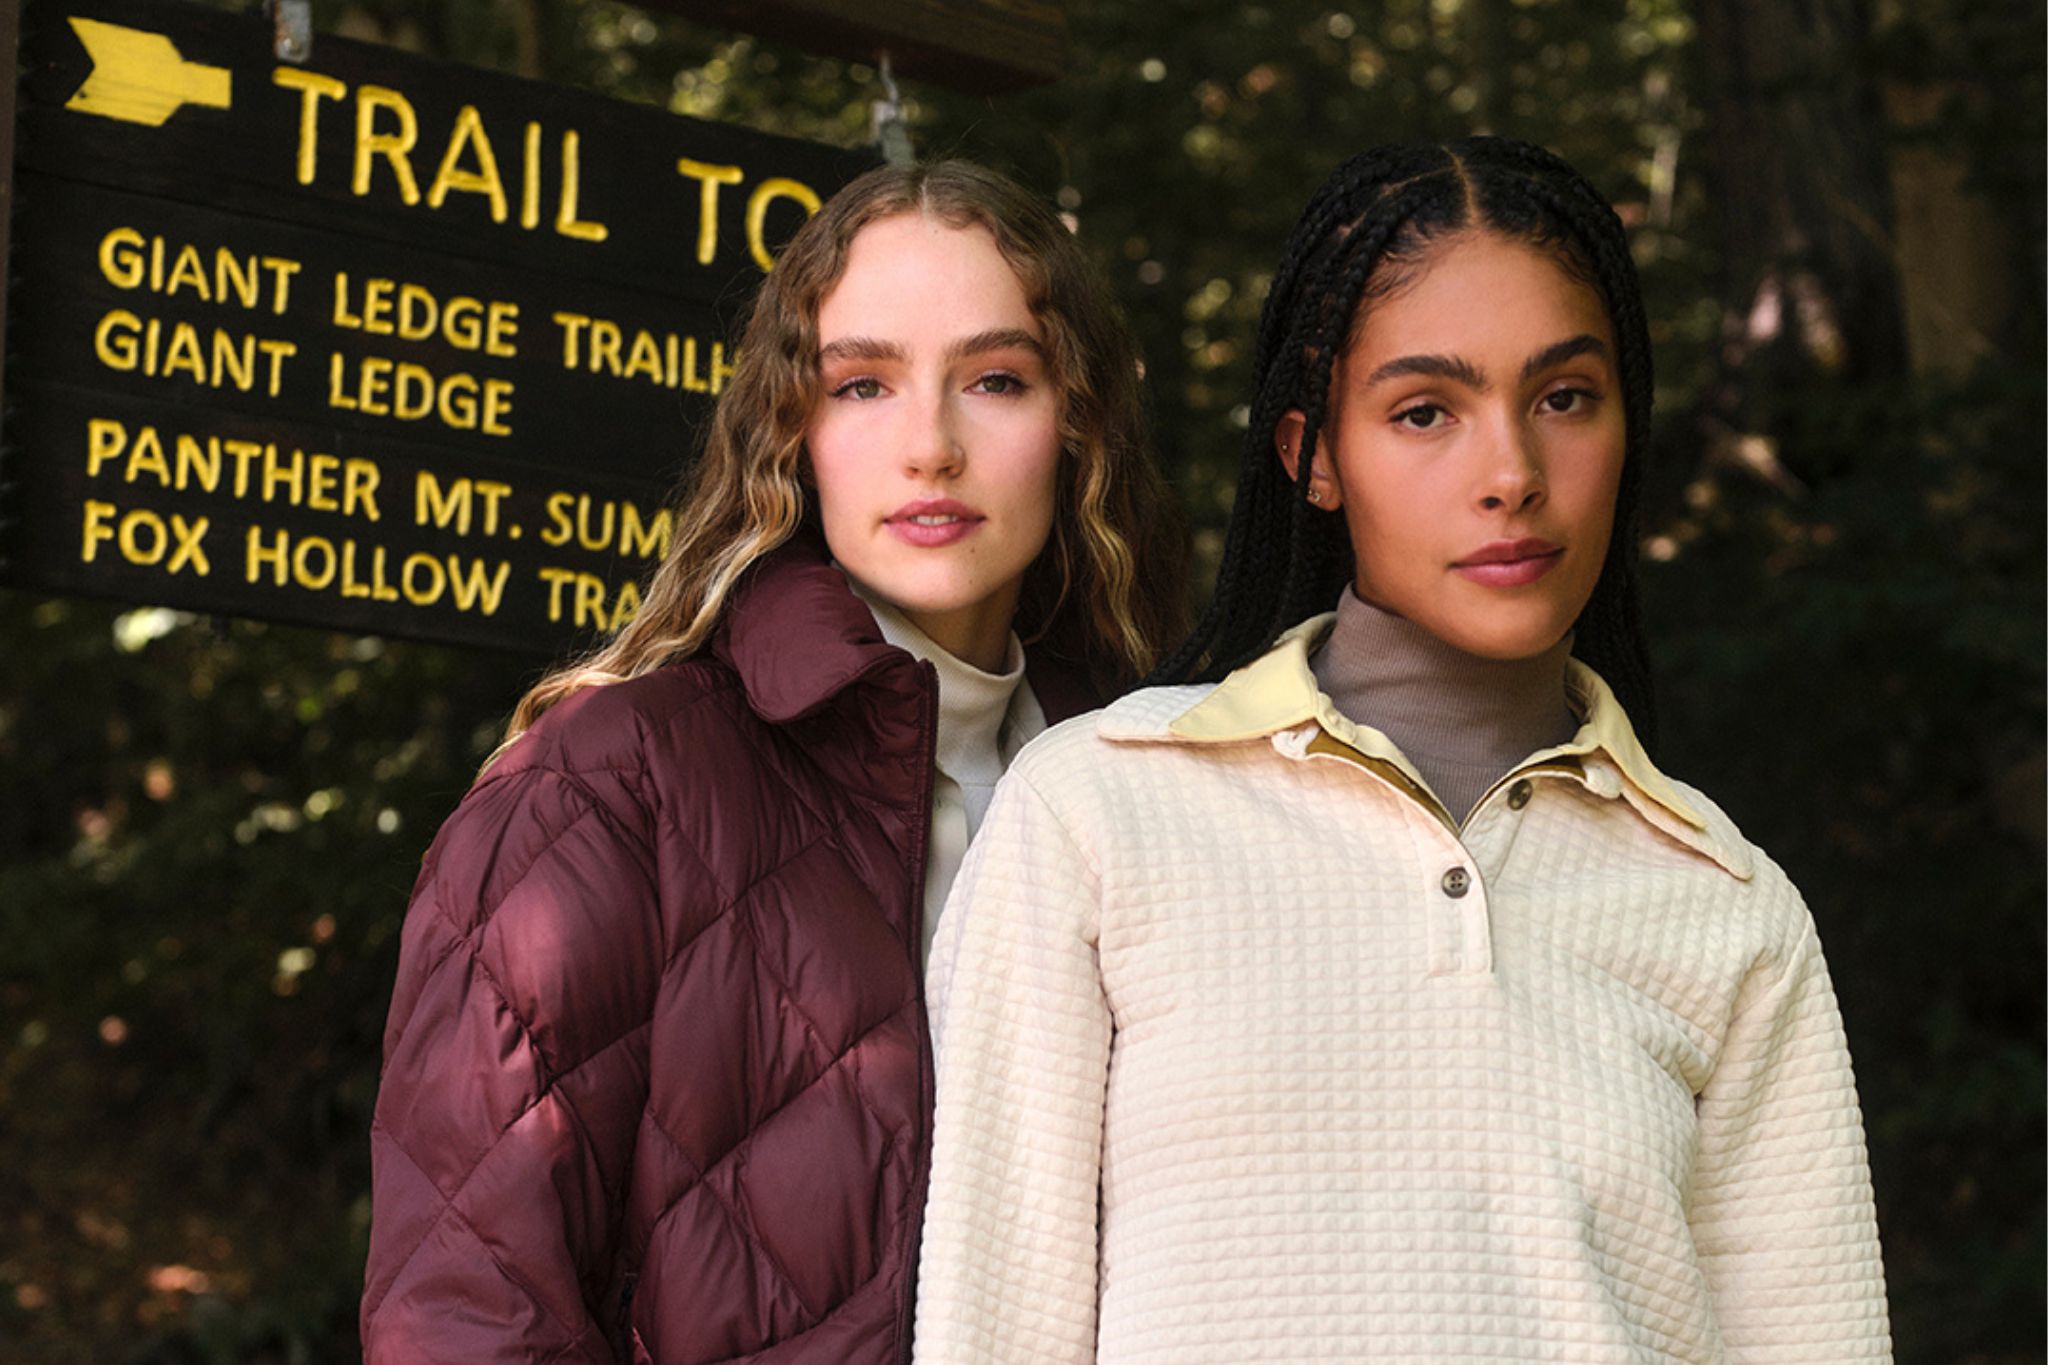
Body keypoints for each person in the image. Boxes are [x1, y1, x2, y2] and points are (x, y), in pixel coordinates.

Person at [913, 138, 1892, 1362]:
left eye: (1563, 398)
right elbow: (991, 1325)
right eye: (1424, 411)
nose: (1510, 475)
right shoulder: (1096, 811)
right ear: (1312, 456)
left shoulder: (1727, 904)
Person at [358, 159, 1186, 1364]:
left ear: (1078, 428)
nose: (931, 445)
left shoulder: (1156, 791)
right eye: (862, 384)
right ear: (793, 433)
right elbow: (465, 1312)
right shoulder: (603, 785)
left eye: (996, 380)